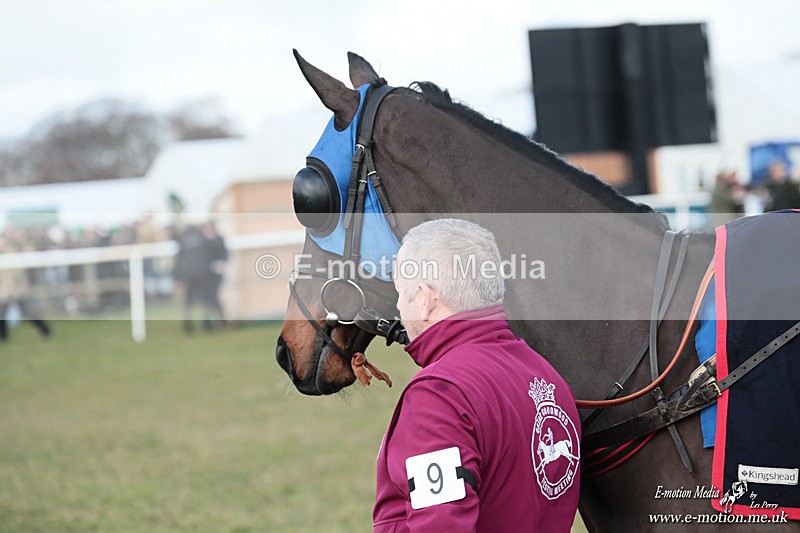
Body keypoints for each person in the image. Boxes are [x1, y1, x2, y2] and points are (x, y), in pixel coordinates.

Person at [373, 219, 580, 532]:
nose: (399, 306)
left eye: (401, 293)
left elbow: (439, 526)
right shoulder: (546, 375)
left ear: (425, 299)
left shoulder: (438, 395)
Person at [0, 239, 51, 341]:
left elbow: (15, 272)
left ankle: (45, 330)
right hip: (5, 290)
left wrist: (10, 284)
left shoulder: (11, 254)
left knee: (29, 312)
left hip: (17, 290)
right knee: (2, 314)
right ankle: (4, 336)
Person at [200, 221, 228, 328]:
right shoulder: (203, 241)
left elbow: (225, 254)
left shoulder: (219, 239)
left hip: (217, 274)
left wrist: (221, 264)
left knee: (214, 297)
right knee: (208, 298)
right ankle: (211, 321)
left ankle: (219, 320)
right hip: (206, 274)